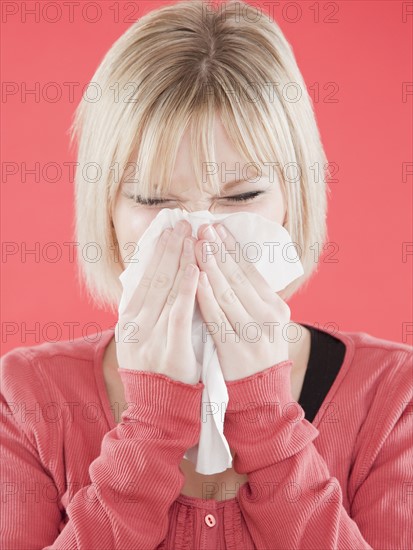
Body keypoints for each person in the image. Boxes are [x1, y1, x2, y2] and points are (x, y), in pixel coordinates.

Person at [1, 1, 412, 548]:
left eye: (241, 197)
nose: (202, 238)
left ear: (294, 199)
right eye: (154, 199)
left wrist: (267, 419)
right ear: (107, 210)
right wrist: (150, 428)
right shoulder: (28, 399)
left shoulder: (391, 398)